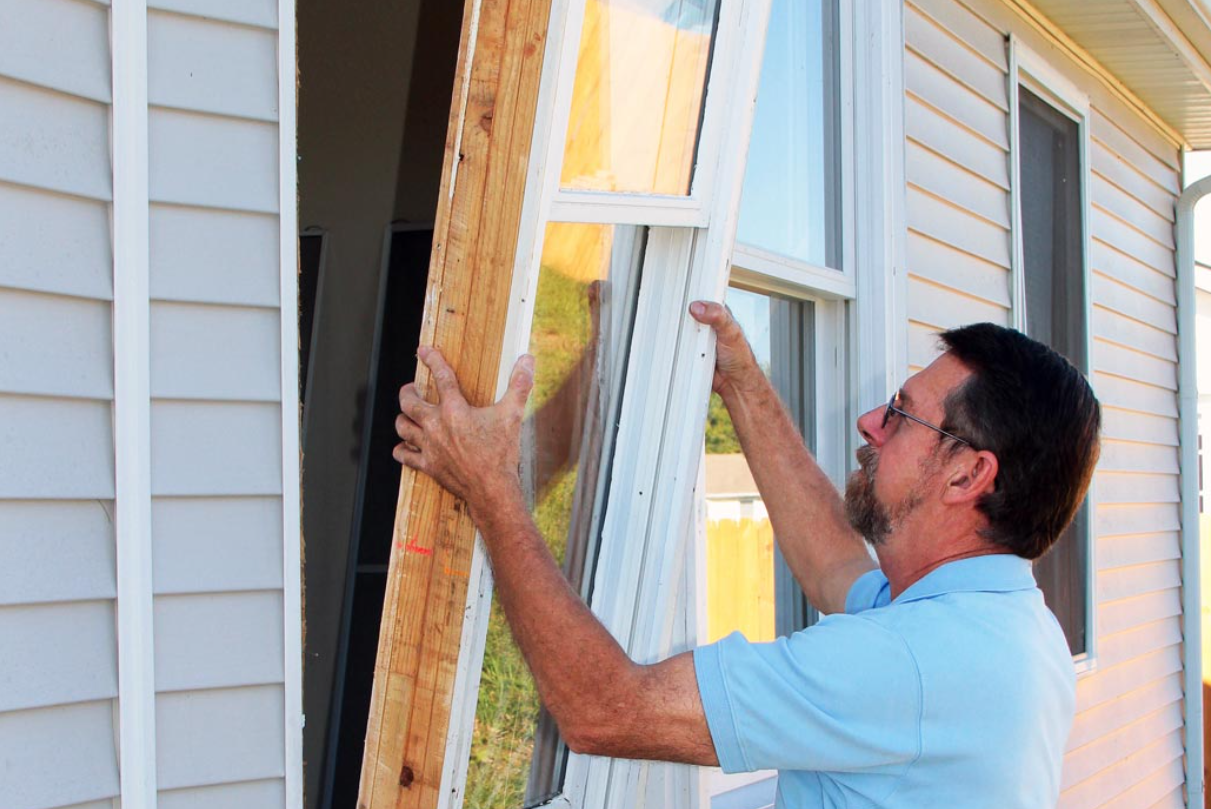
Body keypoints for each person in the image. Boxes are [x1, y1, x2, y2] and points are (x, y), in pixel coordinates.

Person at [393, 302, 1101, 808]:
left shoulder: (906, 663)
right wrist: (739, 382)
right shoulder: (1001, 624)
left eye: (900, 411)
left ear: (965, 474)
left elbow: (602, 709)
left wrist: (492, 487)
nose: (869, 422)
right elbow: (834, 566)